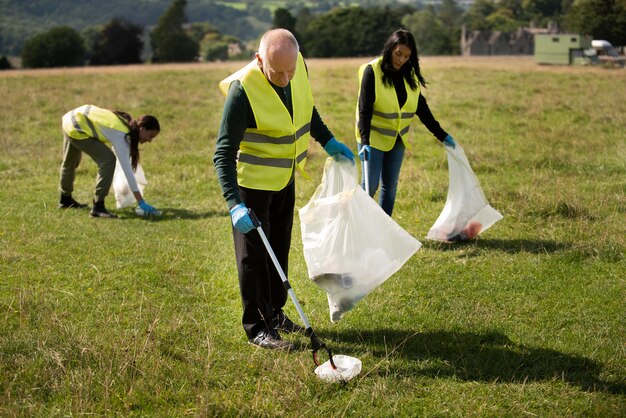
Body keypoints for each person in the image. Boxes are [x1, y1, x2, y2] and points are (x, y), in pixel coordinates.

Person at [213, 29, 354, 351]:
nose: (286, 78)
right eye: (278, 72)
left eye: (291, 70)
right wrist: (234, 204)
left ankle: (275, 313)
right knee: (254, 258)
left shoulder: (295, 67)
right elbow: (222, 153)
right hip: (252, 187)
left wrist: (328, 140)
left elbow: (306, 108)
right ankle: (257, 327)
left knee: (278, 249)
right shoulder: (242, 91)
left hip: (284, 177)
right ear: (258, 59)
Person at [356, 29, 456, 217]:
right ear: (390, 48)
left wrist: (442, 135)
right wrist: (365, 141)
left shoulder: (410, 76)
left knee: (390, 186)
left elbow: (422, 109)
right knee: (370, 186)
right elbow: (364, 109)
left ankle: (384, 230)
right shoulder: (372, 71)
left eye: (407, 56)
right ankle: (358, 227)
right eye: (398, 53)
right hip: (372, 139)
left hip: (397, 139)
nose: (401, 59)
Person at [59, 105, 161, 218]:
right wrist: (141, 201)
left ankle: (65, 199)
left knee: (70, 163)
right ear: (142, 128)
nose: (150, 140)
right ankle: (98, 207)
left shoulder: (125, 124)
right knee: (108, 161)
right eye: (150, 136)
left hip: (71, 118)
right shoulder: (122, 135)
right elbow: (127, 170)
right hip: (77, 126)